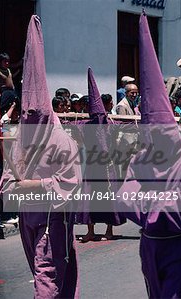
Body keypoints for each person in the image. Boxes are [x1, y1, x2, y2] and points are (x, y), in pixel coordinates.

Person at [116, 14, 181, 298]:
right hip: (150, 245)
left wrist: (146, 204)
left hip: (180, 246)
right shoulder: (142, 155)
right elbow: (124, 195)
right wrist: (155, 203)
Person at [0, 16, 81, 298]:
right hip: (27, 220)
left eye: (37, 115)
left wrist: (32, 185)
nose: (31, 119)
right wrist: (13, 185)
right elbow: (6, 182)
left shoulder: (61, 139)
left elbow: (71, 182)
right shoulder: (21, 138)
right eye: (26, 114)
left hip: (51, 221)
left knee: (47, 276)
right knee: (45, 274)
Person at [75, 68, 126, 242]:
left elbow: (132, 124)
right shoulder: (86, 123)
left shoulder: (109, 122)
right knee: (91, 198)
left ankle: (108, 230)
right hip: (93, 166)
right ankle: (92, 231)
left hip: (107, 165)